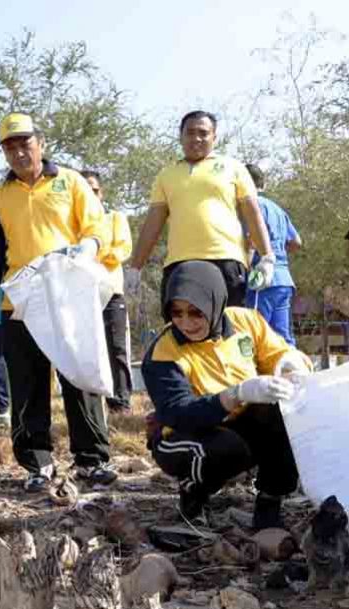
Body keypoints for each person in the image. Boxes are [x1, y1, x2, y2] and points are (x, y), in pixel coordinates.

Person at [0, 113, 115, 491]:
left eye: (25, 143)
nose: (19, 153)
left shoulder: (70, 181)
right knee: (27, 384)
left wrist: (91, 245)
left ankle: (92, 459)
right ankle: (37, 463)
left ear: (41, 143)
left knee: (79, 376)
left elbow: (97, 225)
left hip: (67, 293)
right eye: (10, 147)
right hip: (21, 299)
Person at [141, 260, 313, 529]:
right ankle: (193, 496)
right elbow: (179, 413)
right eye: (177, 313)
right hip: (184, 435)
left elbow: (279, 354)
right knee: (222, 450)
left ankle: (270, 503)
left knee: (285, 413)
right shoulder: (163, 353)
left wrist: (293, 365)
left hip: (241, 422)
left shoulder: (245, 321)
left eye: (196, 312)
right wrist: (236, 394)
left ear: (215, 302)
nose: (186, 323)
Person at [129, 110, 275, 307]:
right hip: (179, 264)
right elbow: (152, 224)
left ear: (214, 137)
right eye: (190, 132)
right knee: (181, 323)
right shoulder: (166, 175)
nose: (196, 138)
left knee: (229, 322)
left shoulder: (234, 167)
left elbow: (252, 213)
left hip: (226, 260)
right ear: (180, 136)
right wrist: (135, 268)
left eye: (203, 133)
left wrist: (267, 257)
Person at [82, 170, 134, 412]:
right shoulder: (73, 223)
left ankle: (120, 402)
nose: (90, 195)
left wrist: (91, 252)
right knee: (88, 350)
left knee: (116, 347)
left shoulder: (115, 219)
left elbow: (121, 250)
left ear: (101, 193)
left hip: (111, 293)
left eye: (94, 190)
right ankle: (91, 404)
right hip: (82, 294)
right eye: (85, 191)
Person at [243, 164, 302, 346]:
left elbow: (250, 241)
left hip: (262, 280)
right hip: (283, 280)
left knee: (255, 336)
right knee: (282, 338)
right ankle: (292, 364)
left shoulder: (250, 207)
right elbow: (296, 242)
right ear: (263, 184)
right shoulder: (277, 209)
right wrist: (278, 251)